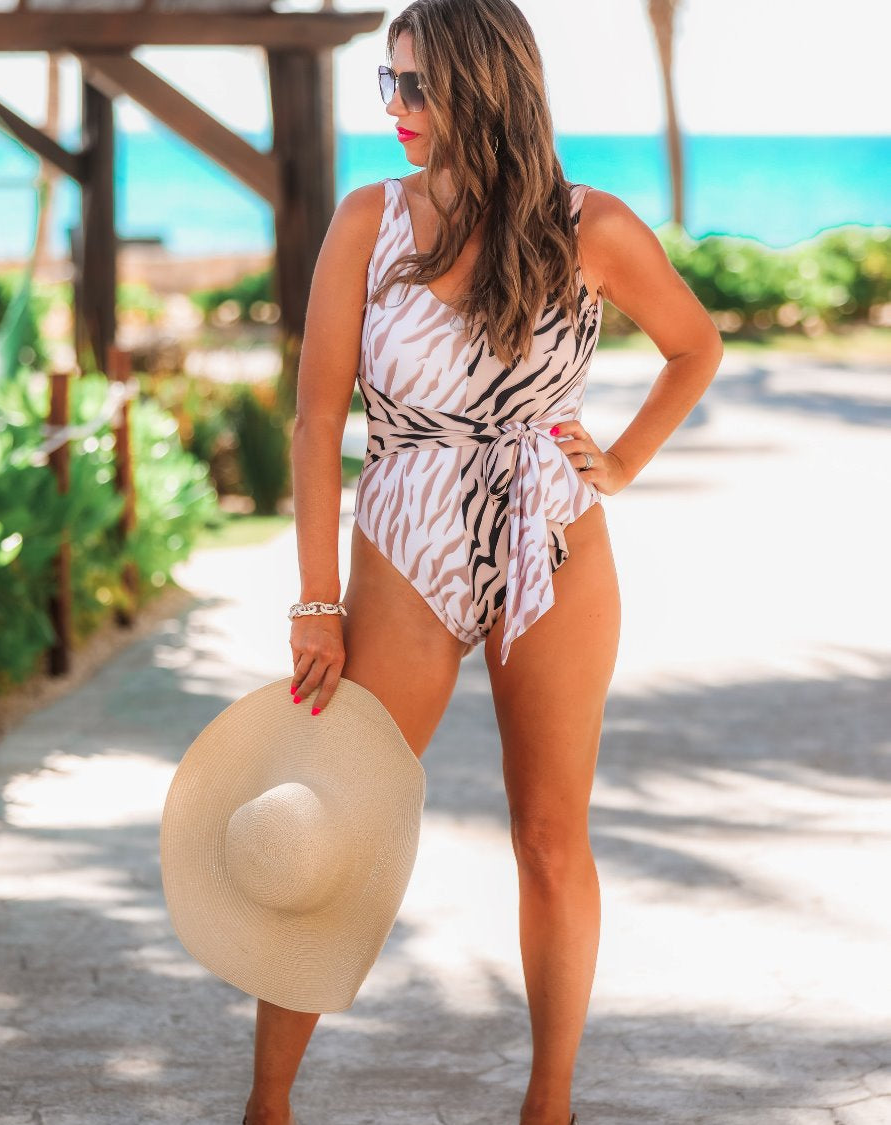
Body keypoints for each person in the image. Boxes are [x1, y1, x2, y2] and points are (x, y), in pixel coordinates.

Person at [245, 1, 723, 1123]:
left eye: (417, 86)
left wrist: (622, 463)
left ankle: (546, 1104)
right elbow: (318, 421)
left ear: (486, 84)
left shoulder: (590, 226)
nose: (397, 110)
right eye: (387, 84)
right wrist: (316, 600)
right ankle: (267, 1107)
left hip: (553, 538)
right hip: (406, 536)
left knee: (552, 838)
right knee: (335, 820)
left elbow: (694, 344)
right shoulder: (370, 221)